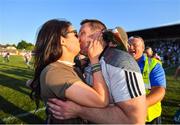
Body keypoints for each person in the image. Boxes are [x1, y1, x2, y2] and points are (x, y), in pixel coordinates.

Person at [47, 19, 146, 124]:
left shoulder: (119, 61)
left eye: (82, 33)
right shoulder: (89, 61)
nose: (78, 38)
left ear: (99, 35)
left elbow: (135, 121)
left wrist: (78, 111)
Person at [30, 19, 109, 124]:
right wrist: (94, 59)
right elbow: (101, 100)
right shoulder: (55, 72)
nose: (80, 38)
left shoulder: (69, 67)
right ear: (62, 40)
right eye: (75, 34)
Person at [128, 36, 166, 124]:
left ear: (142, 48)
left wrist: (139, 105)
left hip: (149, 118)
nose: (131, 47)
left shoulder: (153, 64)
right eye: (128, 45)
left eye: (134, 45)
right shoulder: (121, 63)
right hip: (127, 116)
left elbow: (159, 90)